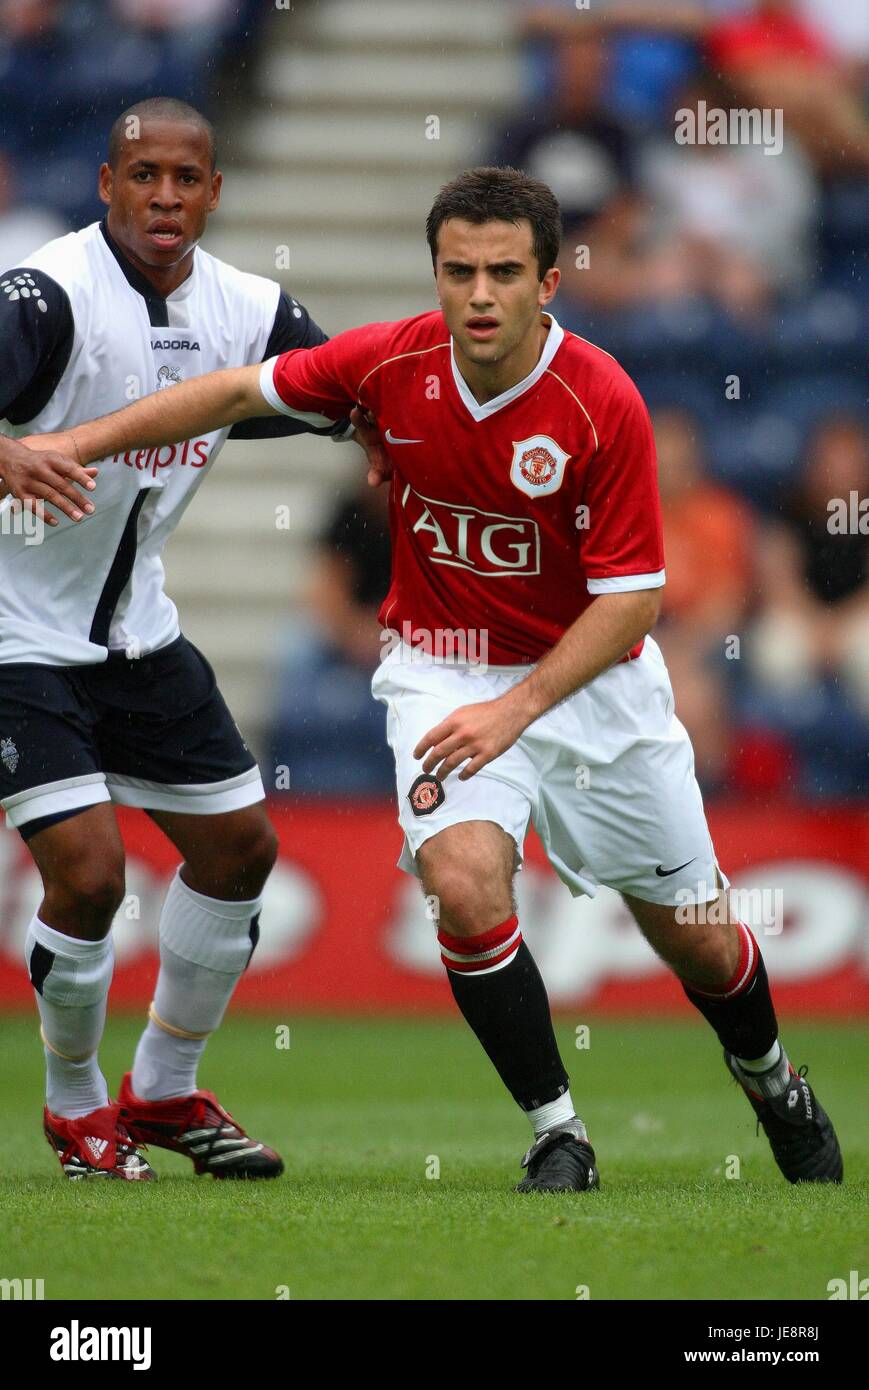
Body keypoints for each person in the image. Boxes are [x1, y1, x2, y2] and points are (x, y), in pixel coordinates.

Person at [32, 166, 843, 1192]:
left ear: (547, 281)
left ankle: (770, 1078)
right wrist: (73, 441)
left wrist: (516, 709)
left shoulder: (601, 403)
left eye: (503, 272)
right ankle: (557, 1129)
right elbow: (236, 391)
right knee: (461, 885)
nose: (478, 294)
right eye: (457, 271)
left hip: (590, 685)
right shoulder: (391, 364)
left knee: (701, 945)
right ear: (435, 273)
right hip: (441, 669)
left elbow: (631, 603)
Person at [0, 96, 382, 1181]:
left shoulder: (246, 310)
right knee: (88, 876)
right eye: (144, 175)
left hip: (137, 633)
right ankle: (77, 1109)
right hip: (15, 635)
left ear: (215, 191)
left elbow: (346, 392)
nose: (164, 195)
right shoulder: (45, 297)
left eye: (185, 177)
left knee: (238, 849)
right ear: (107, 186)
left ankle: (163, 1092)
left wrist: (391, 439)